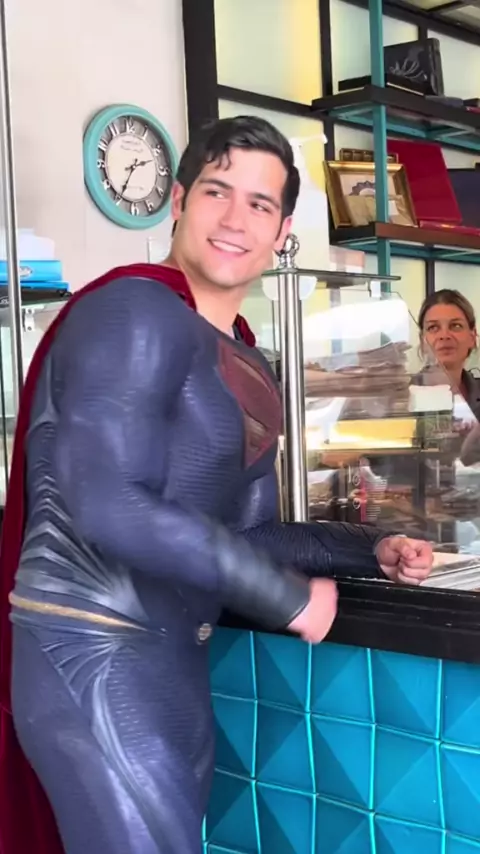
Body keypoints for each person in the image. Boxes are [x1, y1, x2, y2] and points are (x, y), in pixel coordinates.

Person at [0, 116, 433, 854]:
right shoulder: (131, 312)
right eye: (216, 192)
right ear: (178, 201)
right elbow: (109, 502)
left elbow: (247, 535)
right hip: (91, 652)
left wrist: (371, 549)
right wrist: (287, 598)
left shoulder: (243, 357)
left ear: (282, 230)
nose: (235, 219)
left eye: (259, 204)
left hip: (169, 663)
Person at [417, 288, 480, 419]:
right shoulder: (401, 398)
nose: (444, 335)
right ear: (422, 340)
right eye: (433, 327)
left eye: (456, 326)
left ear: (472, 337)